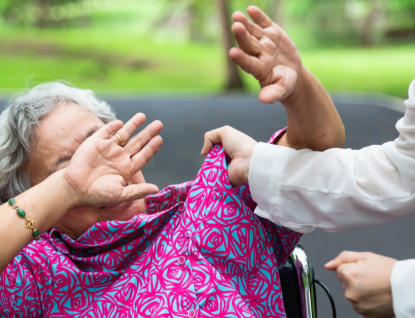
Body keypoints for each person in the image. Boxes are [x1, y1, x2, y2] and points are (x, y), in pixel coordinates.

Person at [0, 6, 345, 317]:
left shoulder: (216, 195)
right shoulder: (36, 271)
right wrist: (70, 186)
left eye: (103, 143)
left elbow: (317, 152)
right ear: (37, 205)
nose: (100, 166)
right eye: (68, 165)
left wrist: (299, 88)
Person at [202, 6, 415, 318]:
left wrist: (402, 286)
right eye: (101, 134)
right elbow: (403, 170)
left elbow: (320, 140)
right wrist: (258, 164)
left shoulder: (200, 212)